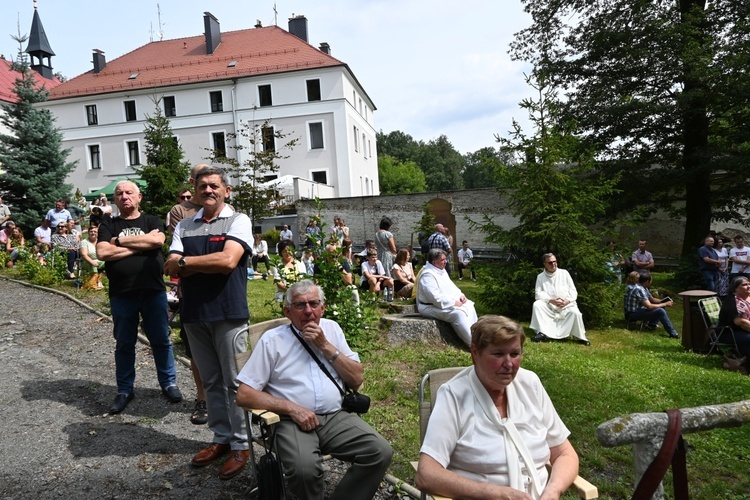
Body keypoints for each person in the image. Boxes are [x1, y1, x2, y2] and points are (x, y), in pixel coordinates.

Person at [236, 280, 393, 499]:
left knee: (379, 451)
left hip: (335, 416)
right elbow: (244, 394)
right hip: (290, 421)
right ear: (288, 311)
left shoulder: (332, 329)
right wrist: (291, 408)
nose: (308, 311)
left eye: (313, 303)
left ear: (323, 307)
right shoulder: (273, 341)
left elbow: (356, 379)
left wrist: (325, 346)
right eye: (300, 305)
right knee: (305, 470)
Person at [415, 315, 580, 499]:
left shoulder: (530, 384)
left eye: (515, 354)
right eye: (498, 354)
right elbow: (426, 474)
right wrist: (495, 494)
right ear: (475, 353)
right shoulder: (454, 395)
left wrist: (553, 490)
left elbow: (565, 453)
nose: (509, 364)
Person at [164, 166, 252, 480]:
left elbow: (228, 261)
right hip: (195, 313)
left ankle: (243, 444)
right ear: (196, 190)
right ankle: (221, 439)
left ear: (226, 190)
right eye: (202, 186)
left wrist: (187, 262)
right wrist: (192, 264)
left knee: (235, 382)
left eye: (214, 185)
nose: (208, 191)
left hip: (228, 312)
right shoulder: (185, 225)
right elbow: (170, 267)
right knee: (212, 382)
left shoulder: (238, 220)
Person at [97, 180, 182, 414]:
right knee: (124, 343)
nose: (124, 196)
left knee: (161, 339)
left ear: (139, 197)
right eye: (119, 193)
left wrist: (120, 242)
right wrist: (140, 246)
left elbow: (157, 241)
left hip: (153, 291)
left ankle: (169, 383)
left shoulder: (152, 221)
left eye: (129, 193)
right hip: (122, 293)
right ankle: (125, 389)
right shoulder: (108, 223)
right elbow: (102, 252)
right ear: (114, 199)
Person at [166, 164, 211, 425]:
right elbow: (178, 254)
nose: (206, 187)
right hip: (191, 290)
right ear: (192, 181)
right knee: (196, 351)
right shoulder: (181, 212)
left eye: (210, 181)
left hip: (221, 291)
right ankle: (202, 398)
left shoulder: (227, 211)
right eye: (200, 181)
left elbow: (232, 256)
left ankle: (230, 402)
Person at [417, 248, 478, 346]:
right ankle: (472, 343)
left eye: (445, 259)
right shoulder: (427, 275)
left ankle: (477, 336)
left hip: (441, 303)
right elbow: (435, 298)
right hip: (428, 307)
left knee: (469, 305)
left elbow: (451, 287)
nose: (446, 262)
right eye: (443, 260)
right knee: (458, 314)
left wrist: (460, 295)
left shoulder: (441, 270)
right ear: (434, 262)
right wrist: (453, 303)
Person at [530, 254, 590, 345]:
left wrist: (567, 301)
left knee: (575, 313)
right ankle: (542, 333)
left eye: (555, 261)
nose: (553, 264)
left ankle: (580, 336)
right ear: (544, 264)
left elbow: (573, 290)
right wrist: (551, 300)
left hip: (566, 305)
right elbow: (538, 294)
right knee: (537, 304)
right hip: (549, 306)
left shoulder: (564, 273)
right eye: (550, 262)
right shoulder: (540, 277)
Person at [624, 271, 680, 339]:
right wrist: (664, 304)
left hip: (639, 310)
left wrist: (663, 301)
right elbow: (649, 306)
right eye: (651, 281)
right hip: (633, 313)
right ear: (647, 281)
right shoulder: (639, 289)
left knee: (662, 306)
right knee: (660, 311)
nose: (651, 282)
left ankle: (651, 326)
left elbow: (652, 299)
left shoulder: (644, 288)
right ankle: (673, 333)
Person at [718, 277, 750, 361]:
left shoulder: (748, 297)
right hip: (730, 332)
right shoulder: (733, 302)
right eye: (744, 285)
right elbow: (741, 322)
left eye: (749, 284)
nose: (748, 286)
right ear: (736, 289)